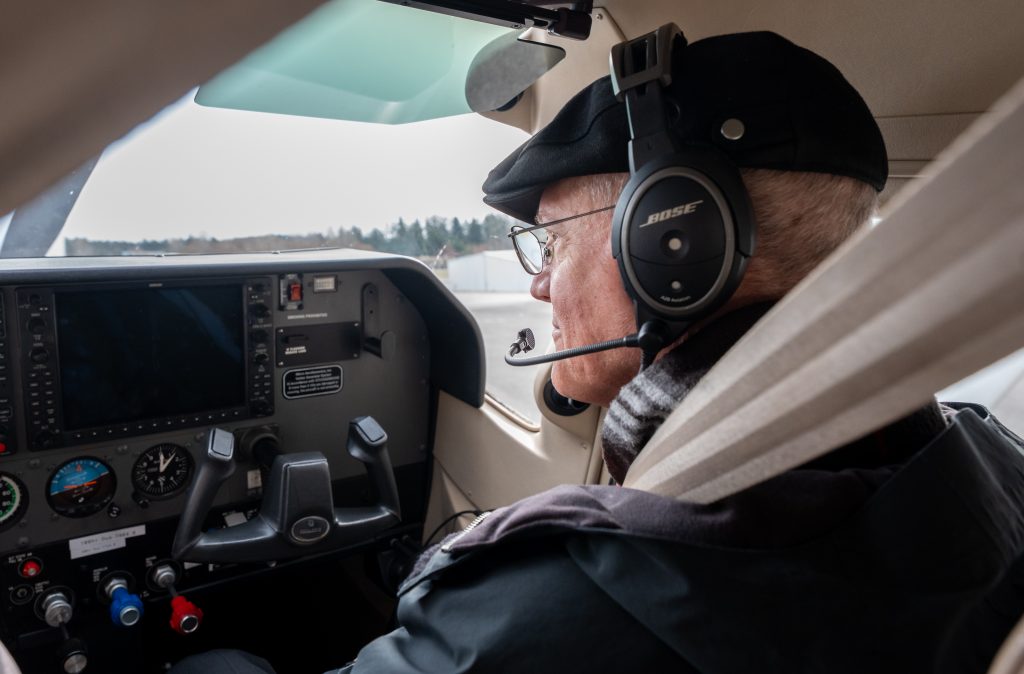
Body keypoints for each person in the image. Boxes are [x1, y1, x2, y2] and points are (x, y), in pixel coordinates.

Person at [172, 30, 1024, 674]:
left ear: (671, 245)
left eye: (551, 245)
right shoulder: (993, 469)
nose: (540, 287)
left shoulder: (548, 613)